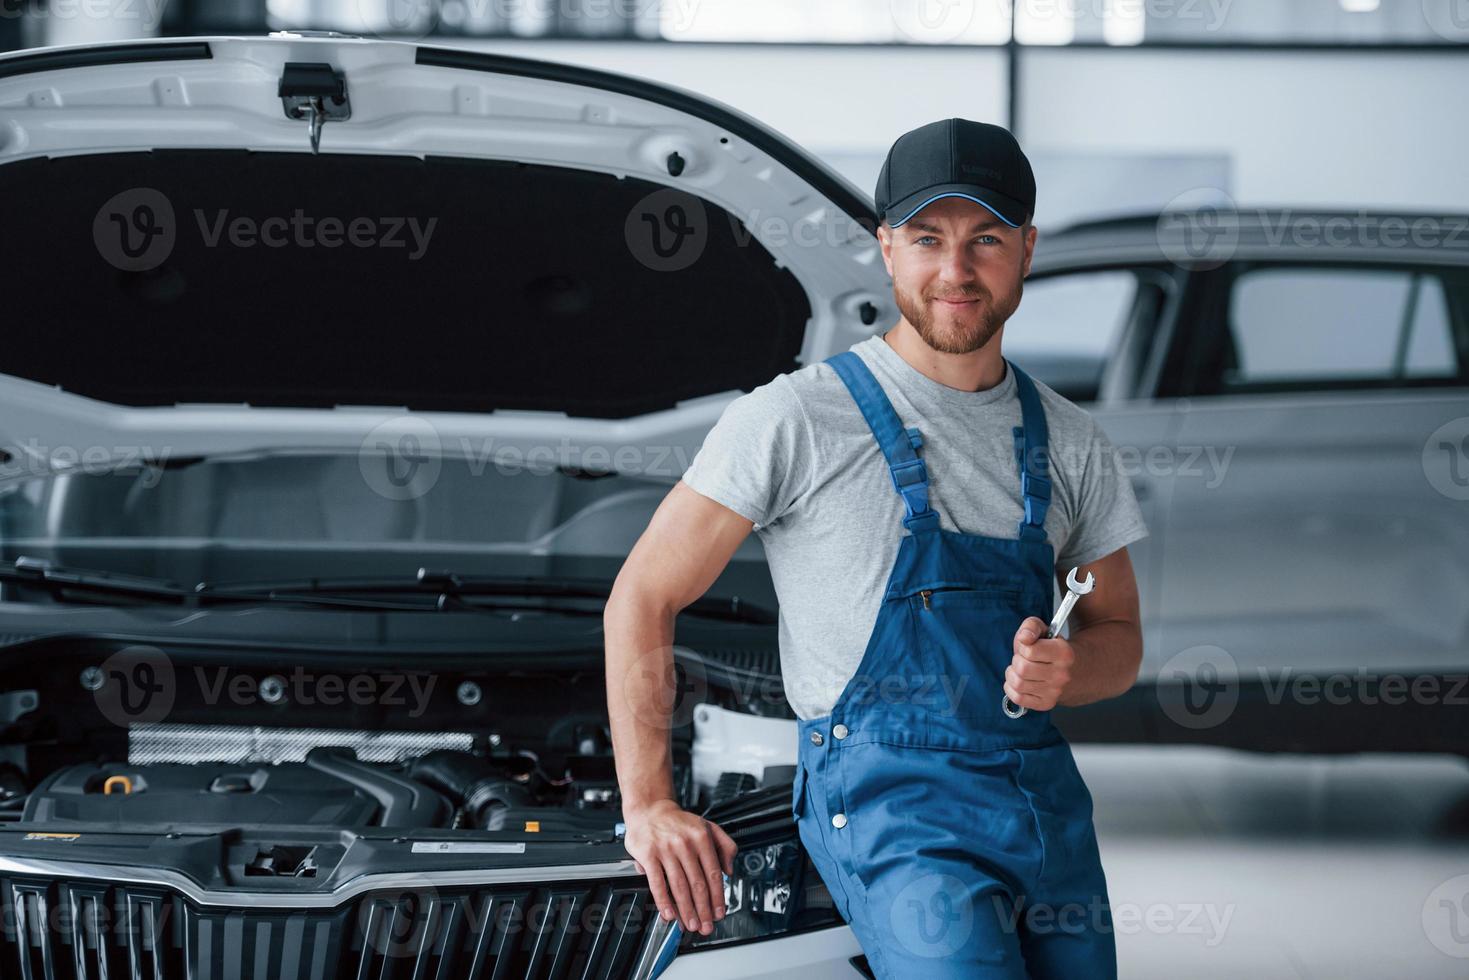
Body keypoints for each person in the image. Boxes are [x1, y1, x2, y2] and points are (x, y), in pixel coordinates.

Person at [604, 117, 1148, 978]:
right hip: (891, 809)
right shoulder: (792, 419)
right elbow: (642, 596)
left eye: (986, 240)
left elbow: (1118, 634)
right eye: (928, 238)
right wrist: (649, 804)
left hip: (1040, 806)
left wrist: (1072, 671)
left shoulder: (1072, 442)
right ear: (886, 246)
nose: (956, 271)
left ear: (1027, 249)